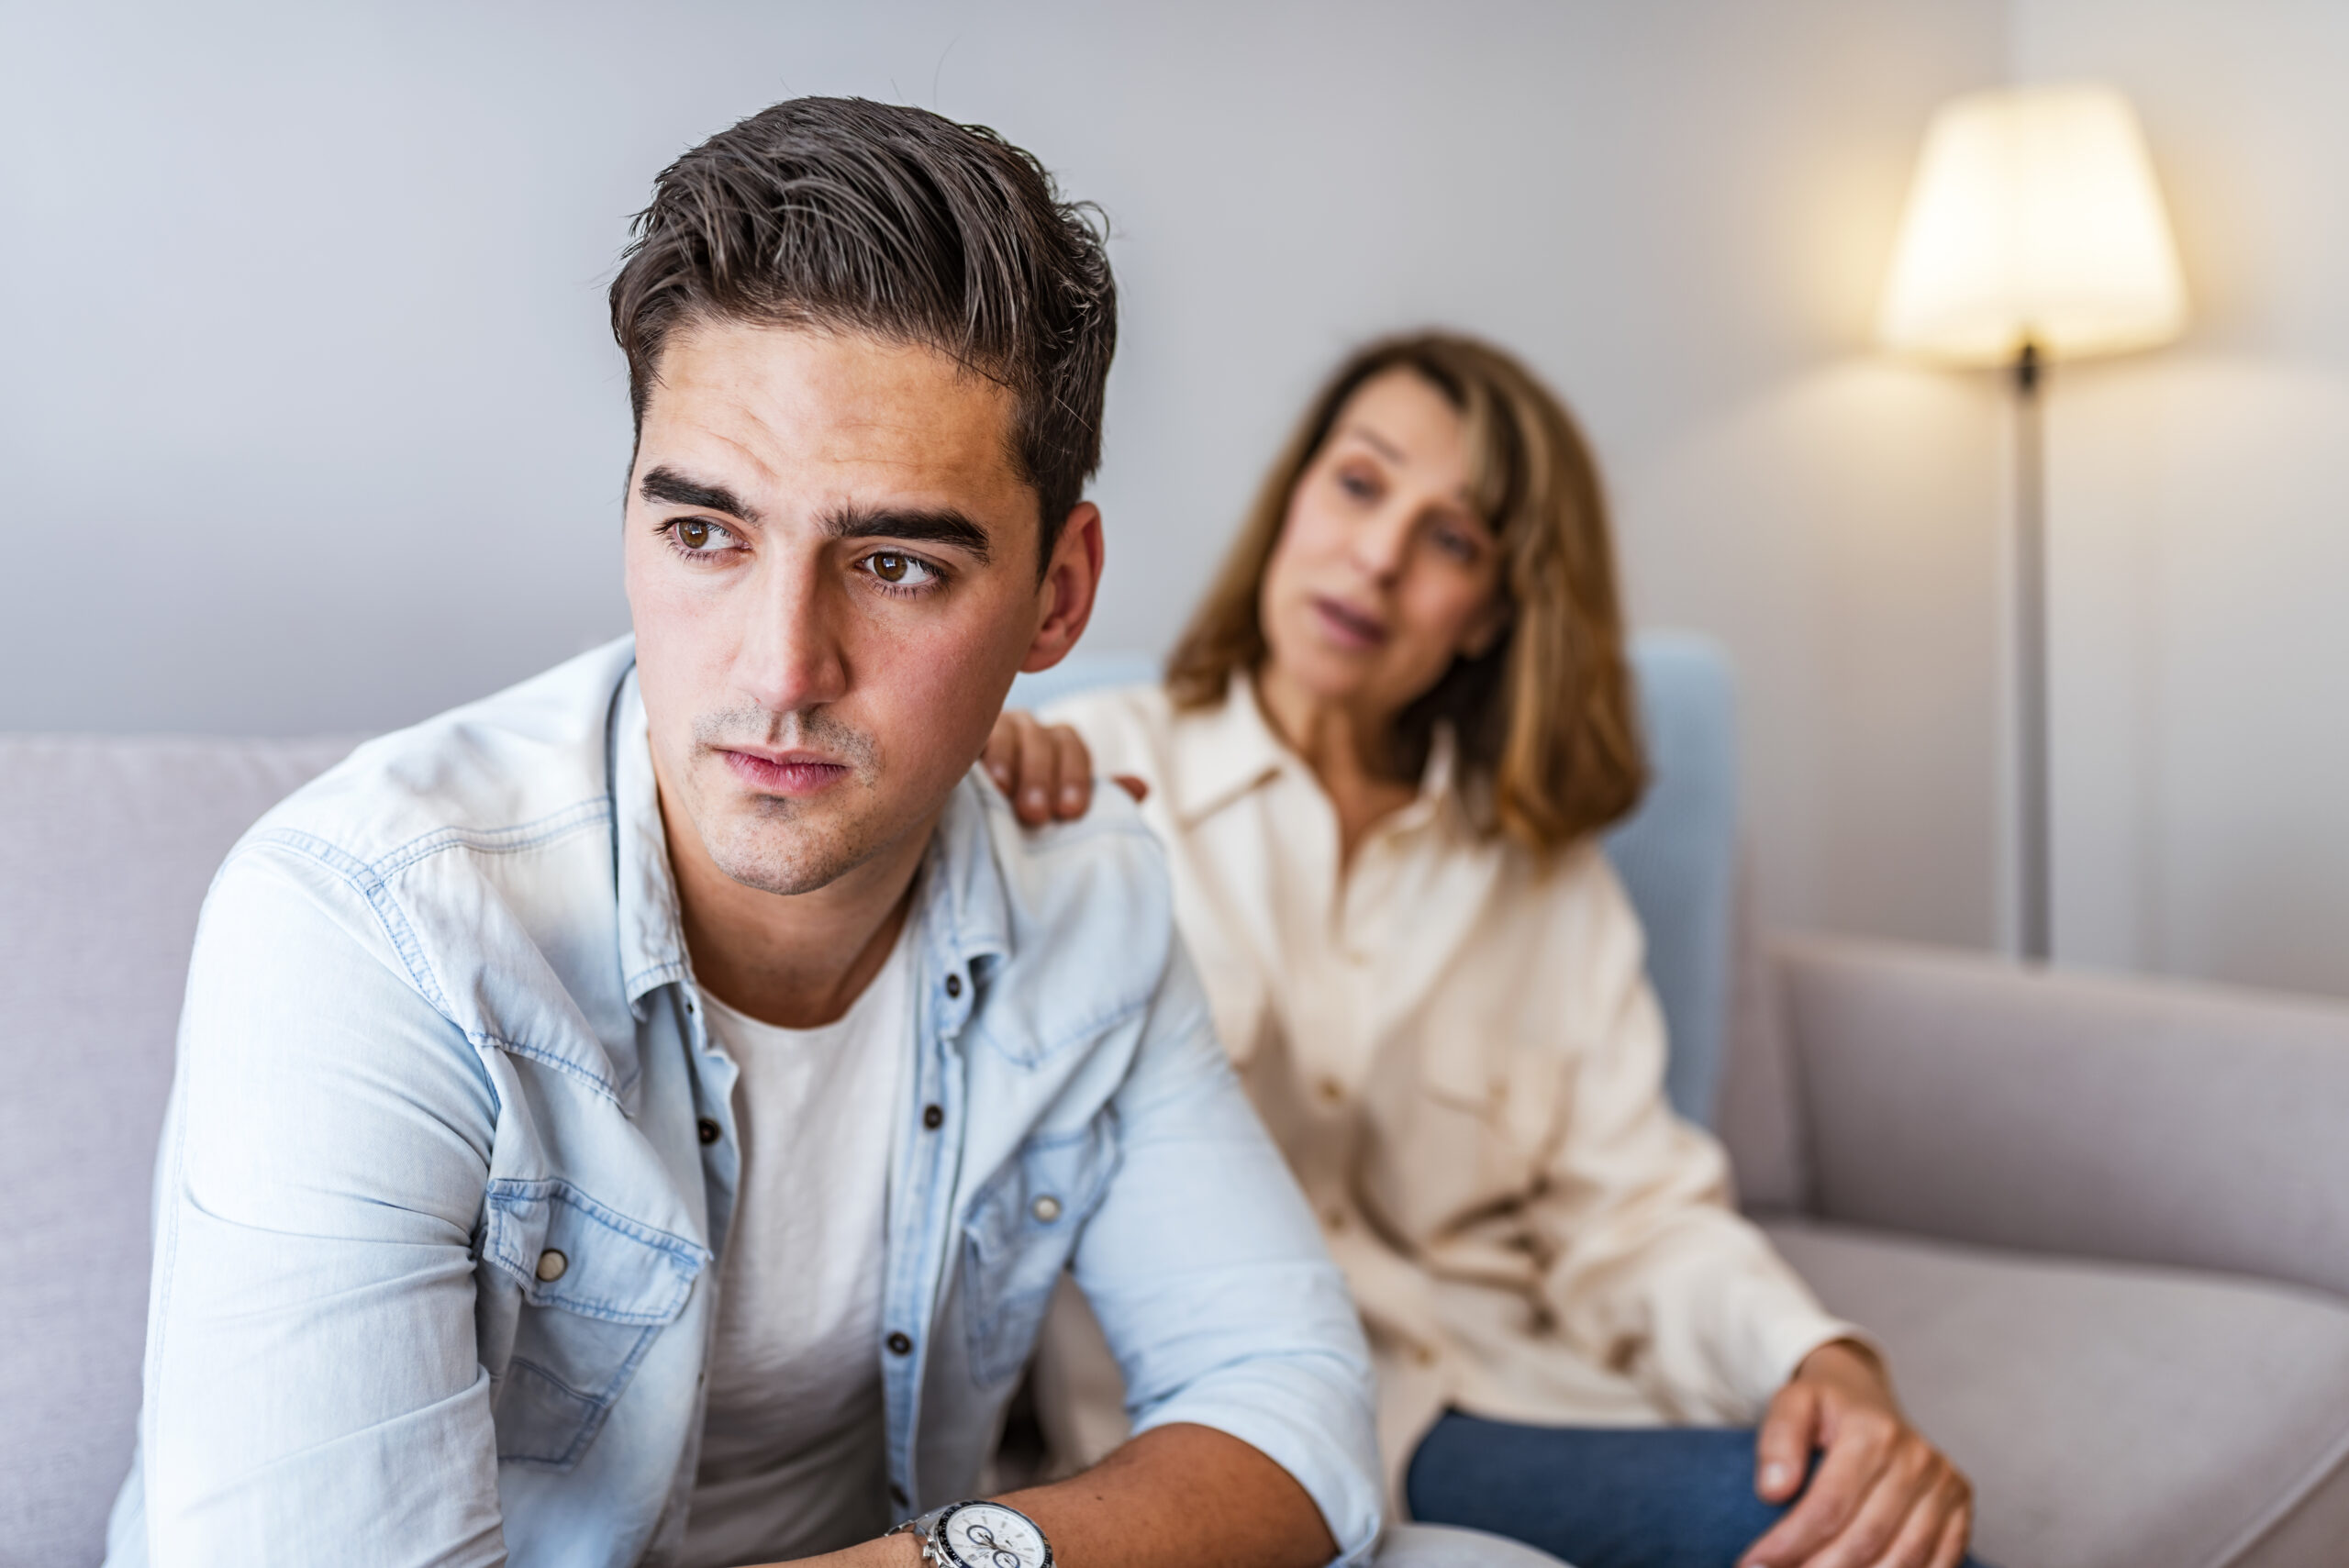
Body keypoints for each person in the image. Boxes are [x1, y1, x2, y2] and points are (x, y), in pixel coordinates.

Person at [102, 100, 1545, 1568]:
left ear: (1059, 595)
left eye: (898, 562)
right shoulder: (371, 923)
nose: (779, 670)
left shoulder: (1084, 899)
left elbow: (1294, 1405)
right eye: (706, 535)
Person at [986, 333, 1982, 1568]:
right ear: (1294, 495)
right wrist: (975, 804)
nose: (1380, 556)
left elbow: (1635, 1213)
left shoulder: (1538, 867)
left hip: (1523, 1397)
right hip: (1236, 1444)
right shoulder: (1070, 784)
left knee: (1885, 1530)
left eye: (1451, 538)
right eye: (1359, 483)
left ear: (1493, 612)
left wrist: (1817, 1354)